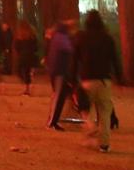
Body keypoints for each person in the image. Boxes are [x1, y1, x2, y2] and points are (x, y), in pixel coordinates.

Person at [72, 9, 124, 152]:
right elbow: (115, 59)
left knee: (83, 107)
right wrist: (120, 78)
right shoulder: (107, 38)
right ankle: (104, 144)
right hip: (104, 79)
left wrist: (72, 78)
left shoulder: (81, 37)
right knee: (105, 112)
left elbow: (75, 59)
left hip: (87, 79)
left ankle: (89, 124)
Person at [46, 21, 74, 130]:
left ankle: (53, 119)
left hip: (56, 69)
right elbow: (70, 50)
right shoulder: (62, 38)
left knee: (59, 95)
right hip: (59, 70)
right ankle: (52, 121)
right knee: (58, 96)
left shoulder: (56, 37)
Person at [14, 20, 38, 96]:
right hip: (30, 55)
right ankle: (27, 87)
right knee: (26, 71)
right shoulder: (32, 35)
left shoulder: (20, 36)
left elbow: (16, 46)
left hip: (23, 55)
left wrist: (19, 51)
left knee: (19, 70)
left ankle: (26, 84)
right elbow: (35, 47)